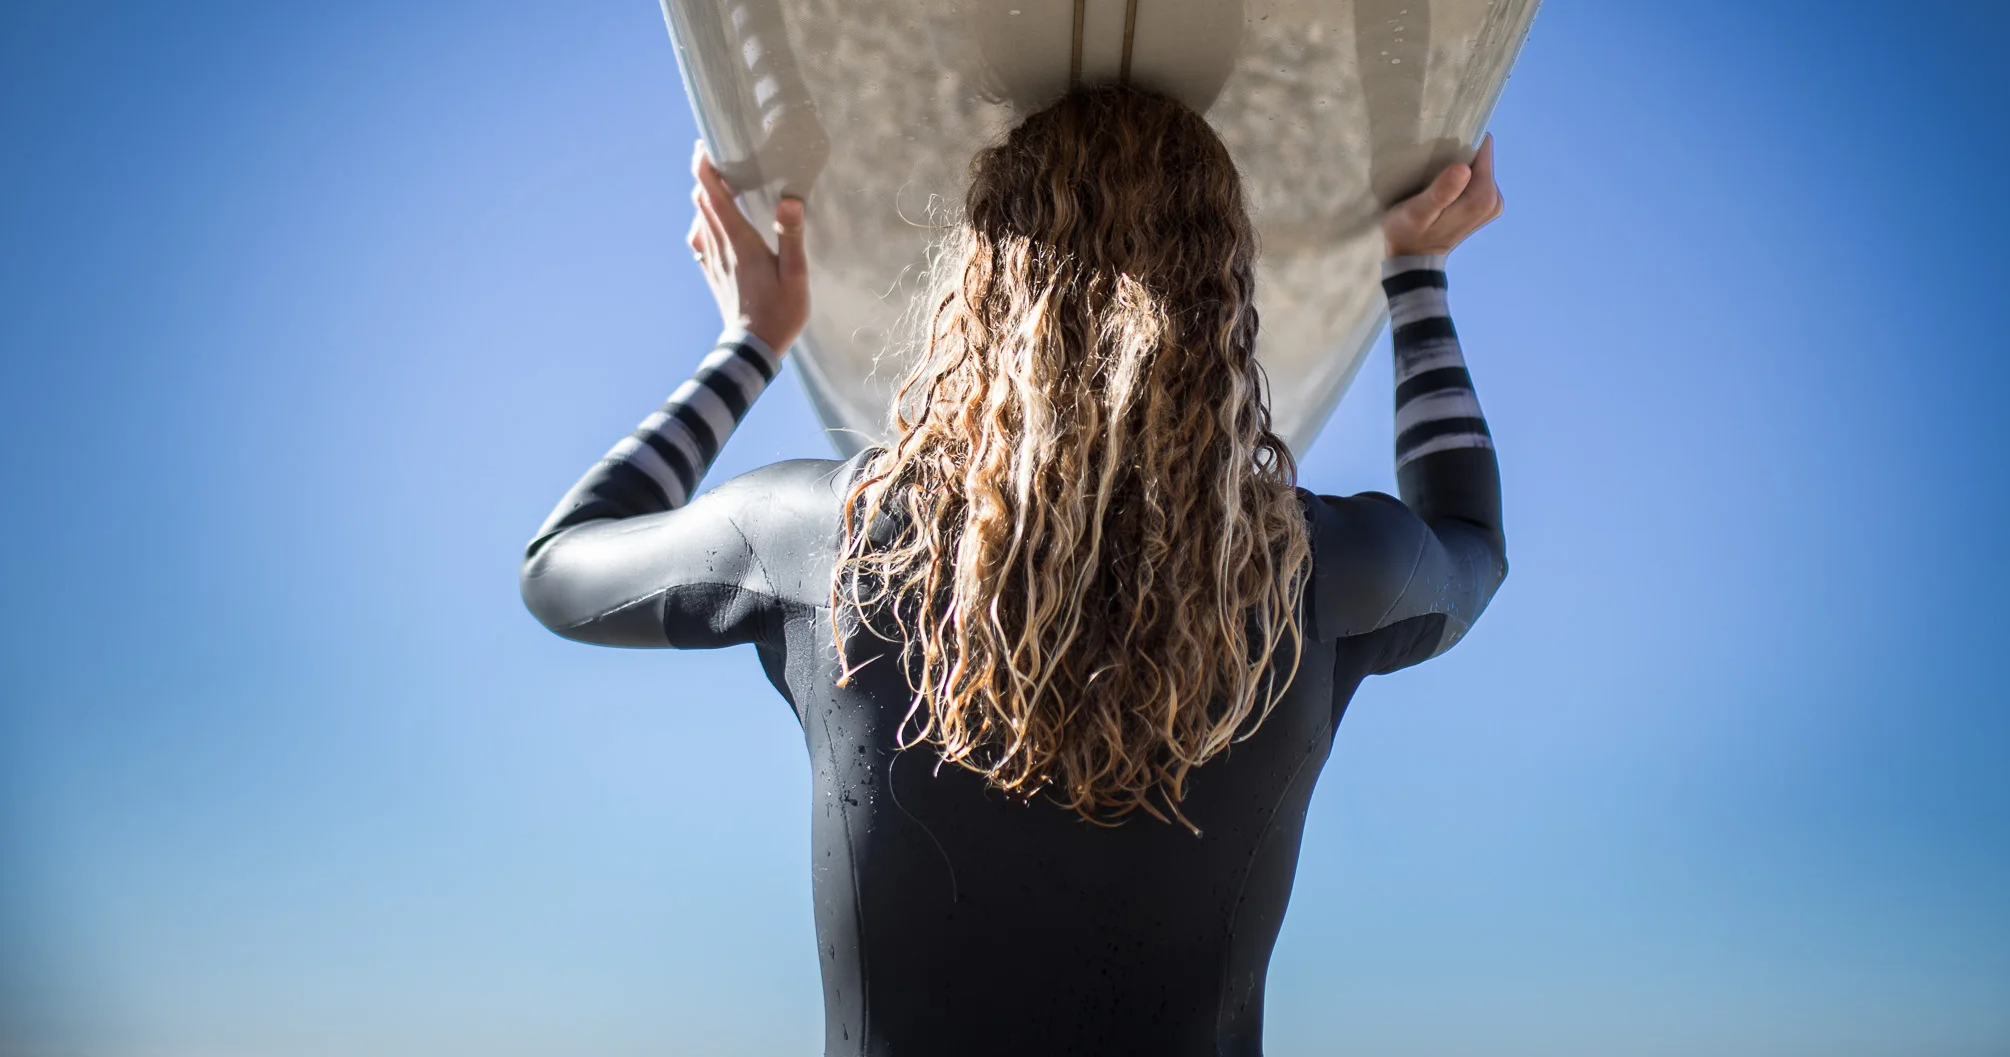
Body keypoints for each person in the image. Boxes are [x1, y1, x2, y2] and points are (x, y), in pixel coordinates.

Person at [522, 86, 1505, 1056]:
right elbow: (1468, 543)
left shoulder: (833, 537)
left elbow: (560, 569)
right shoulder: (1313, 567)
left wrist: (751, 343)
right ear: (1224, 303)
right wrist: (1415, 276)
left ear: (977, 283)